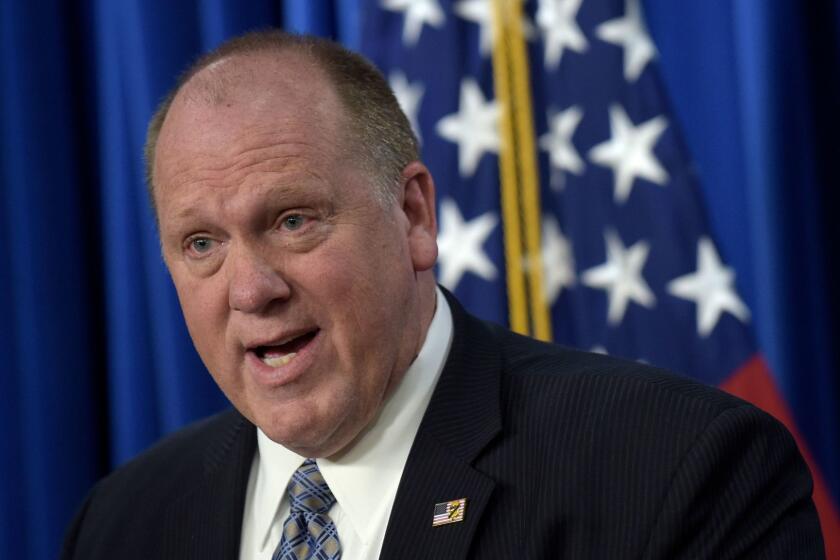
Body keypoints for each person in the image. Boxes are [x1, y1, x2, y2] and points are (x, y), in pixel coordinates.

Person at [61, 30, 825, 559]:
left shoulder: (678, 472)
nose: (251, 290)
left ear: (414, 216)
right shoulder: (121, 525)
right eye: (202, 245)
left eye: (293, 221)